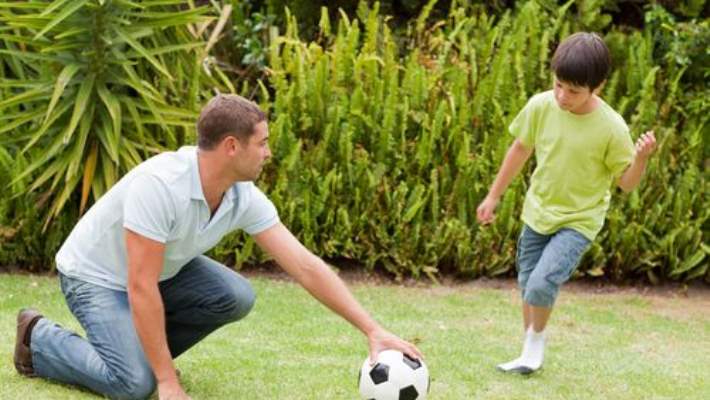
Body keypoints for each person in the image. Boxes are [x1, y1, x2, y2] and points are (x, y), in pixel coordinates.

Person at [14, 94, 422, 399]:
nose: (268, 152)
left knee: (235, 296)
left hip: (157, 275)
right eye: (261, 143)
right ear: (232, 146)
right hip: (96, 277)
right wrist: (167, 383)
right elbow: (140, 285)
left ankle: (138, 355)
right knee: (134, 384)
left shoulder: (240, 194)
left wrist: (372, 329)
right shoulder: (160, 187)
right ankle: (40, 339)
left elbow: (305, 265)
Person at [476, 32, 656, 374]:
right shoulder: (541, 106)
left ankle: (534, 348)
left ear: (597, 87)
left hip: (579, 220)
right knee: (528, 285)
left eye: (573, 91)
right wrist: (493, 195)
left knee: (542, 283)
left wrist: (641, 159)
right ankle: (527, 348)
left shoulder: (611, 127)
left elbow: (626, 184)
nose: (562, 96)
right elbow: (520, 149)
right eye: (558, 85)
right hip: (537, 211)